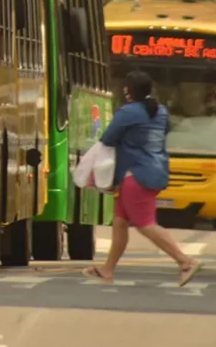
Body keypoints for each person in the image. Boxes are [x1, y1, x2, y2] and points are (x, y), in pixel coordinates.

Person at [83, 70, 203, 287]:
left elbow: (108, 139)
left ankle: (185, 261)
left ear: (128, 91)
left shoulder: (128, 112)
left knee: (145, 224)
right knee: (119, 223)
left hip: (135, 176)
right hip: (154, 170)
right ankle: (107, 270)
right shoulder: (161, 112)